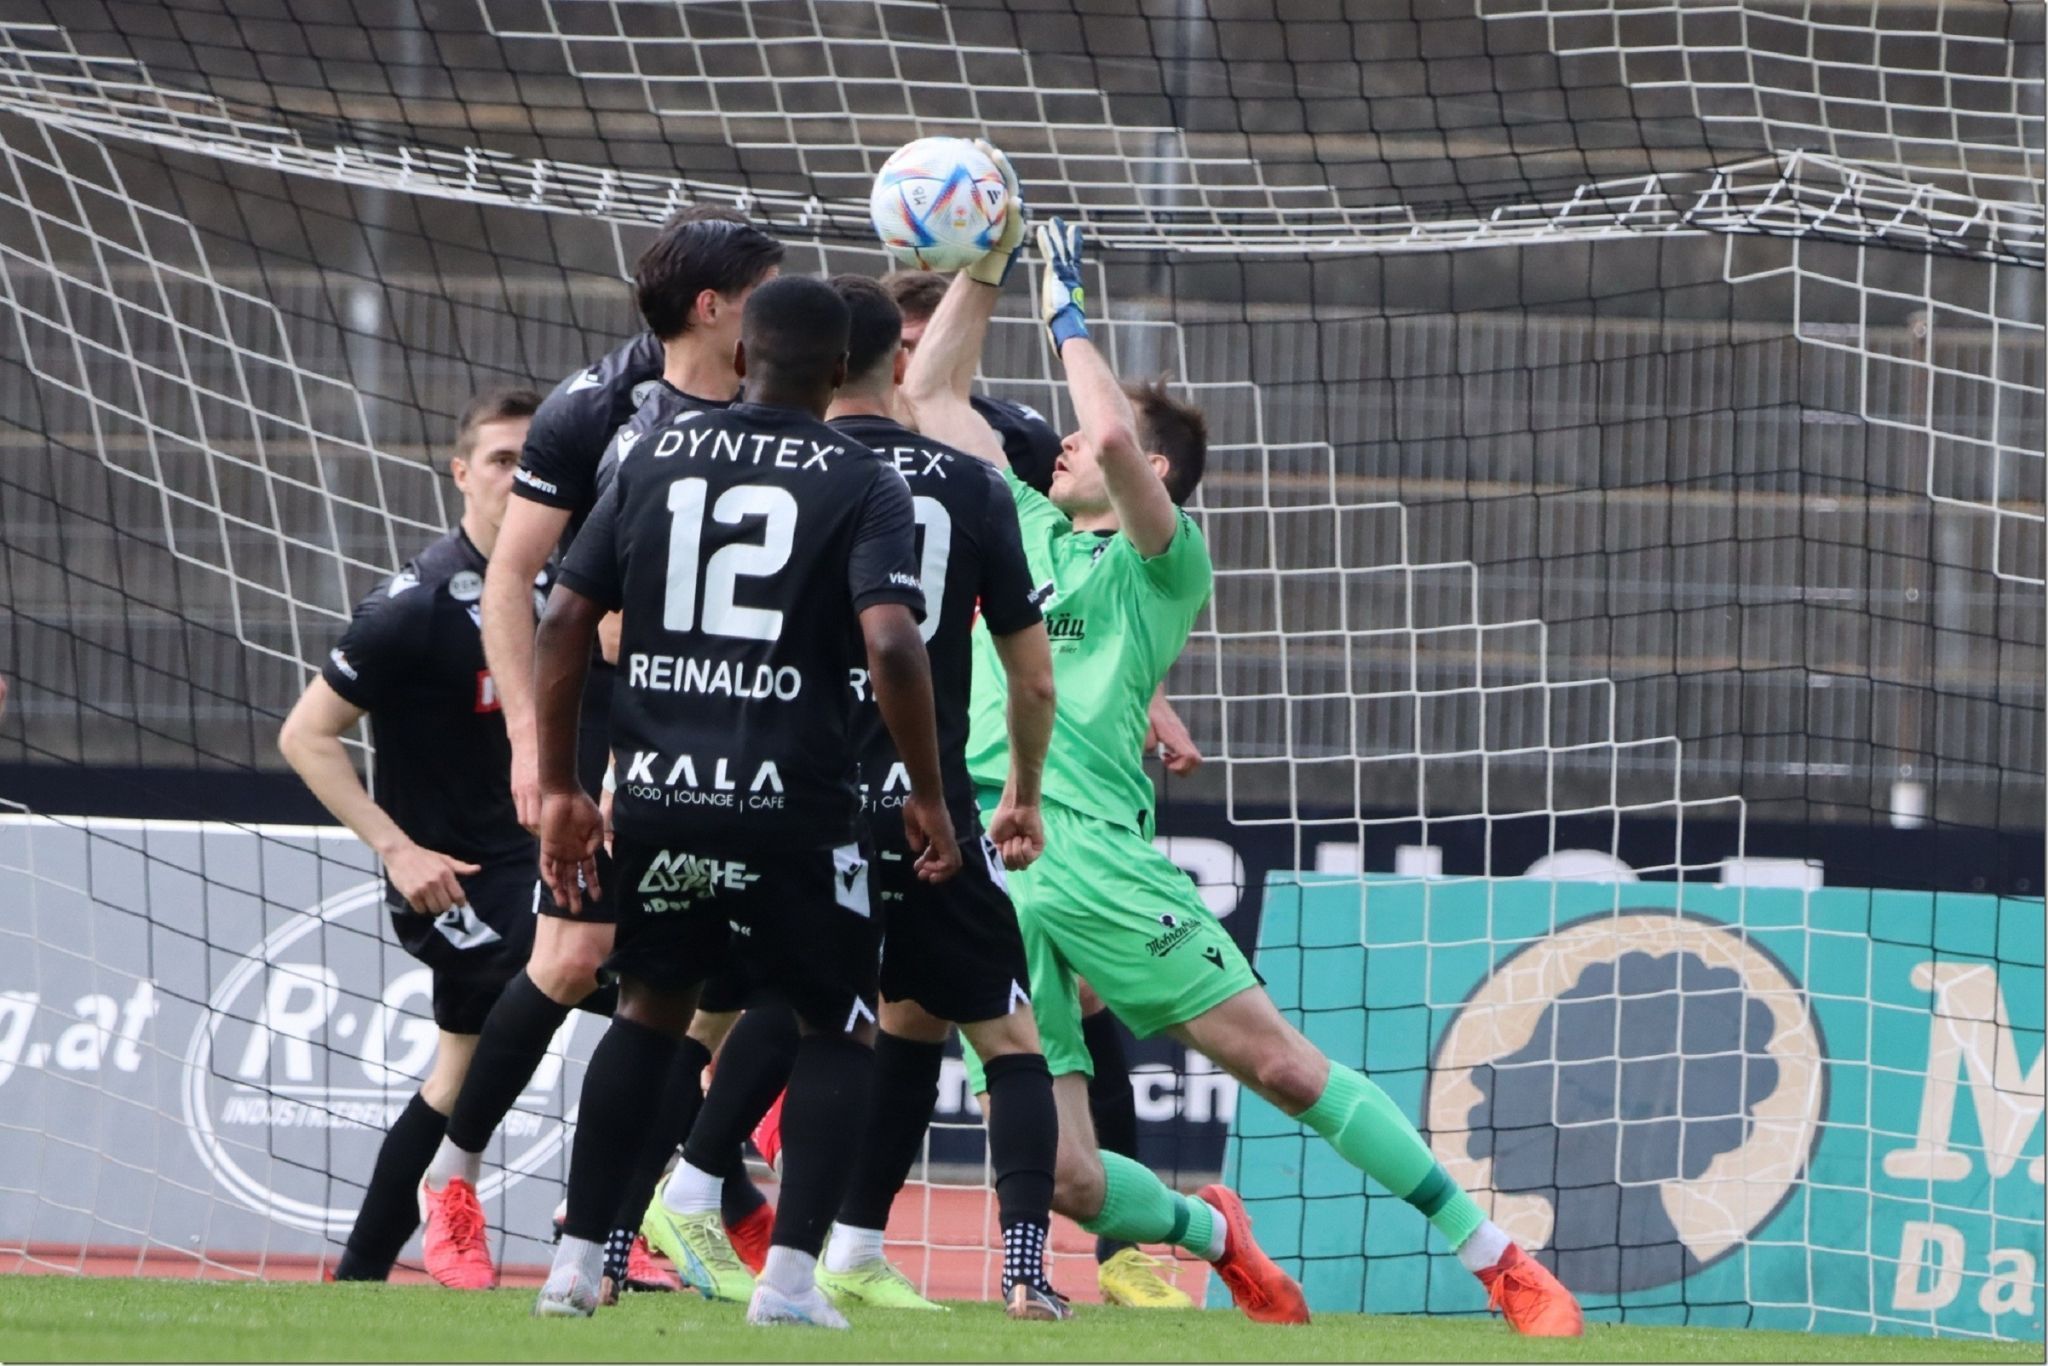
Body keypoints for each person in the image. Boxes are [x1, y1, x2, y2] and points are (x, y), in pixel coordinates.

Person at [903, 205, 1587, 1337]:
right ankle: (1212, 1234)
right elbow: (930, 399)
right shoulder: (1016, 525)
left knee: (1279, 1066)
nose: (1056, 447)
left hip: (1091, 851)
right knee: (1068, 1177)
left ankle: (1496, 1258)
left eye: (1070, 439)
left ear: (1156, 470)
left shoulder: (1160, 571)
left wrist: (1065, 313)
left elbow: (1112, 444)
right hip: (986, 860)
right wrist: (983, 265)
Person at [530, 274, 961, 1326]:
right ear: (834, 373)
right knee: (835, 1024)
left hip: (663, 795)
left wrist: (557, 785)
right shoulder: (862, 479)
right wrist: (924, 789)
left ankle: (575, 1263)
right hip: (798, 805)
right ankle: (790, 1281)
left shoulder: (650, 455)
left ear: (737, 359)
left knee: (648, 1009)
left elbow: (563, 619)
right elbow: (894, 640)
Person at [417, 207, 783, 1295]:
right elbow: (514, 579)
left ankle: (611, 1218)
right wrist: (539, 750)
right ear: (714, 307)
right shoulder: (598, 405)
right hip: (611, 718)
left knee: (715, 992)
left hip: (733, 728)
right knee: (572, 959)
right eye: (766, 288)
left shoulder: (786, 396)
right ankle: (457, 1176)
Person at [277, 389, 545, 1284]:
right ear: (461, 472)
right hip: (454, 876)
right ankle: (663, 1210)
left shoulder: (576, 587)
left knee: (457, 1074)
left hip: (546, 857)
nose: (519, 476)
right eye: (502, 459)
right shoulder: (416, 606)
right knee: (625, 979)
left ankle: (359, 1277)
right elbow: (305, 735)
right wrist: (398, 850)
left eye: (532, 460)